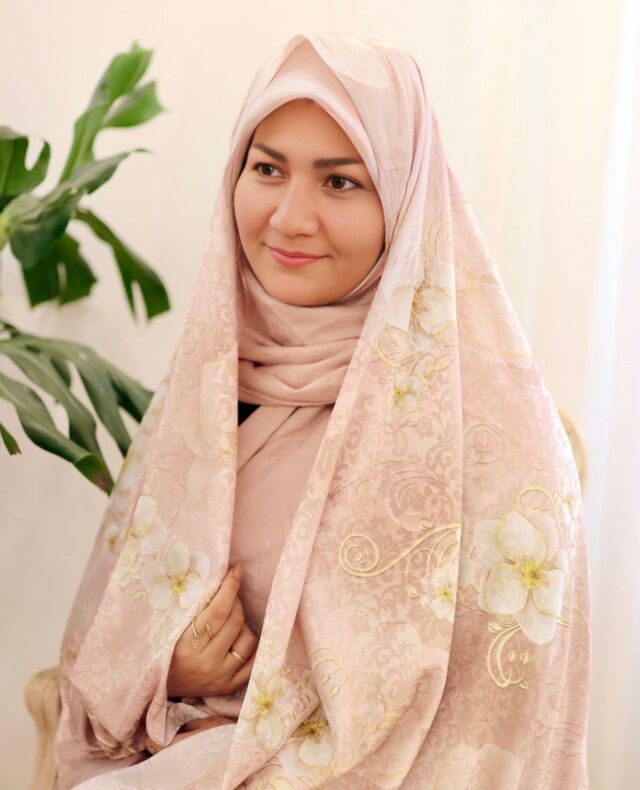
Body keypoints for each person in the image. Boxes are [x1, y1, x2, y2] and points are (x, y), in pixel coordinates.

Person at [53, 32, 591, 789]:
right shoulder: (211, 387)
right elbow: (104, 647)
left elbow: (497, 721)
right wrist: (167, 669)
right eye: (268, 169)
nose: (289, 218)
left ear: (403, 201)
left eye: (340, 182)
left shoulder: (498, 438)